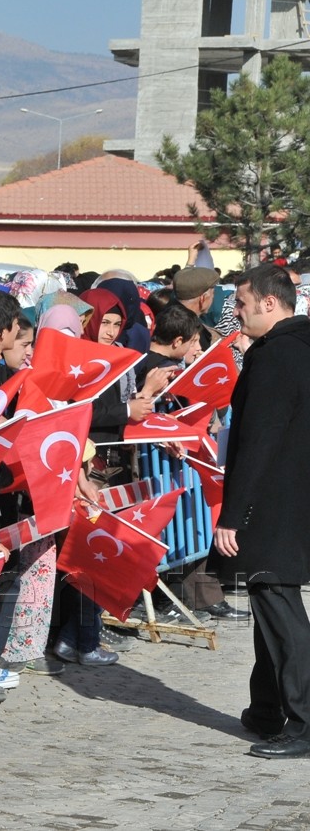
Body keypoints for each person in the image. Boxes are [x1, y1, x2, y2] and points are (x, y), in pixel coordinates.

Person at [211, 265, 310, 759]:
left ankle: (305, 719)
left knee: (276, 602)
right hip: (295, 496)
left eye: (243, 301)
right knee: (267, 603)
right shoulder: (301, 348)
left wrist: (232, 513)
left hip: (273, 500)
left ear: (270, 303)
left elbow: (257, 441)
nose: (236, 310)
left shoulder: (274, 357)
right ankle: (266, 707)